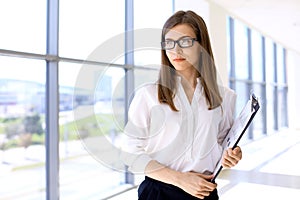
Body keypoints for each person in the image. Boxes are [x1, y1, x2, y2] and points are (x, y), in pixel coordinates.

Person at [121, 10, 242, 200]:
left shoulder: (225, 97)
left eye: (185, 42)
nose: (176, 51)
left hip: (204, 191)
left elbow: (222, 142)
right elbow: (130, 153)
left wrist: (231, 155)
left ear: (201, 45)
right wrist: (180, 180)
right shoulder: (148, 95)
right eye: (169, 43)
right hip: (158, 192)